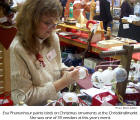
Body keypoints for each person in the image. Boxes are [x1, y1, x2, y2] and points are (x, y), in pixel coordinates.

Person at [10, 0, 86, 106]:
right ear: (30, 21)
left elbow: (57, 64)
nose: (53, 28)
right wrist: (63, 82)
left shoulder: (52, 38)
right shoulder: (17, 49)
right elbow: (23, 98)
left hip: (53, 102)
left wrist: (65, 71)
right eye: (47, 23)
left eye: (55, 22)